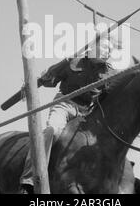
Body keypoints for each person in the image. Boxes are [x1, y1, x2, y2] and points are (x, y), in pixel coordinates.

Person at [19, 34, 120, 194]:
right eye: (105, 46)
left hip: (88, 112)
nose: (108, 50)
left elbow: (123, 88)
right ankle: (29, 180)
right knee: (52, 130)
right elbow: (48, 79)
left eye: (110, 49)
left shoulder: (110, 72)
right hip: (65, 104)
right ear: (93, 47)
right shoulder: (73, 62)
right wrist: (61, 63)